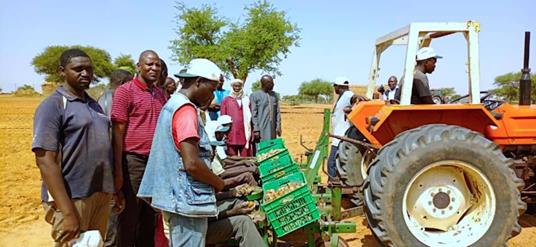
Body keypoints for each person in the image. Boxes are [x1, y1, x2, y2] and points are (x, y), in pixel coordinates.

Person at [137, 58, 226, 246]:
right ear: (198, 82)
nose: (212, 96)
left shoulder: (173, 104)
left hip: (176, 196)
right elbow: (192, 163)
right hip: (187, 200)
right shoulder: (186, 111)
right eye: (211, 89)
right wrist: (218, 182)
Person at [32, 48, 114, 245]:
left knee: (95, 243)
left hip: (99, 194)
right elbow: (45, 161)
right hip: (72, 196)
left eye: (88, 69)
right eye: (78, 69)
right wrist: (67, 211)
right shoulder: (53, 106)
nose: (85, 73)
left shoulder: (94, 105)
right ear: (62, 71)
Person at [111, 50, 166, 247]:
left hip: (155, 164)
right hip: (133, 162)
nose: (154, 68)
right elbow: (117, 133)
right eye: (149, 64)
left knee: (150, 217)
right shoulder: (125, 91)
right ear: (138, 66)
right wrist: (118, 170)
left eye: (157, 65)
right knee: (129, 218)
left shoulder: (160, 94)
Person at [328, 76, 355, 181]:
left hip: (341, 137)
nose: (334, 89)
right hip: (338, 136)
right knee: (335, 163)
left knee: (331, 163)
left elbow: (354, 97)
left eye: (334, 86)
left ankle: (333, 185)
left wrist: (357, 99)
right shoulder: (342, 96)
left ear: (338, 86)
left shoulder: (348, 94)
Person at [221, 79, 253, 156]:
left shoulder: (246, 99)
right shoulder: (226, 100)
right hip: (231, 133)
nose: (237, 88)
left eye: (239, 86)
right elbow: (223, 118)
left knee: (245, 158)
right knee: (232, 158)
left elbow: (250, 117)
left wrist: (251, 131)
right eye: (235, 86)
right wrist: (224, 132)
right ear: (232, 87)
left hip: (244, 133)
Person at [250, 75, 281, 142]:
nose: (273, 85)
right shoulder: (254, 95)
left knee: (272, 148)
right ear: (265, 84)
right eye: (271, 83)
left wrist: (278, 126)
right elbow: (253, 114)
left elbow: (277, 112)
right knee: (262, 149)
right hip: (261, 129)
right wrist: (256, 129)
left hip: (272, 128)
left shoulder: (274, 95)